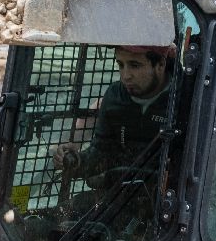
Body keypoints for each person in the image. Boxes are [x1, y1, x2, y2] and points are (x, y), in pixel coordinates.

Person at [54, 44, 178, 187]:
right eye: (120, 65)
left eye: (135, 65)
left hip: (165, 200)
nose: (125, 76)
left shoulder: (185, 99)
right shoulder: (115, 97)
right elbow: (102, 153)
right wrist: (75, 161)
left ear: (160, 64)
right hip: (118, 197)